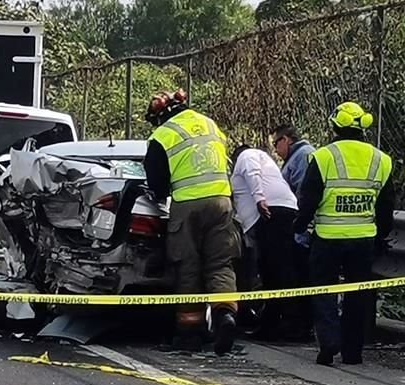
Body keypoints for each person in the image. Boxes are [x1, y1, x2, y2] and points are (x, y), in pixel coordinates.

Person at [294, 102, 394, 366]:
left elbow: (308, 199)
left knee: (323, 290)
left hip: (327, 238)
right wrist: (381, 235)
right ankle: (353, 353)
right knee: (357, 294)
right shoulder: (381, 160)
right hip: (363, 240)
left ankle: (328, 344)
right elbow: (386, 206)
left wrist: (299, 226)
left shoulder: (324, 157)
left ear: (335, 126)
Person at [144, 89, 239, 354]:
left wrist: (160, 195)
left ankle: (189, 334)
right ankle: (225, 317)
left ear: (160, 115)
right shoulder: (209, 123)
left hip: (188, 205)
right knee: (220, 263)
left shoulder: (163, 134)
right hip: (222, 200)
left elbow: (157, 182)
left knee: (188, 266)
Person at [230, 145, 306, 336]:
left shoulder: (247, 155)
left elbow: (251, 170)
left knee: (278, 270)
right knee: (273, 269)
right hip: (277, 212)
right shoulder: (267, 162)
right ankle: (272, 322)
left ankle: (290, 323)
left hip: (270, 213)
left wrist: (259, 198)